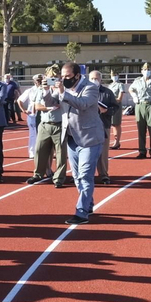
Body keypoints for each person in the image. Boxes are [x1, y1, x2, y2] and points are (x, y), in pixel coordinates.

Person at [49, 61, 102, 224]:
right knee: (77, 176)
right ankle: (89, 204)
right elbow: (49, 103)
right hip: (71, 138)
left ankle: (81, 212)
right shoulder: (61, 88)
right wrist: (47, 89)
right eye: (62, 76)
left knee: (86, 175)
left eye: (68, 76)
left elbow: (83, 104)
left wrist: (63, 92)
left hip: (90, 138)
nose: (64, 79)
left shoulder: (90, 87)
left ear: (77, 75)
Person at [29, 75, 66, 185]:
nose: (52, 80)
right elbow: (37, 106)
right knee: (39, 150)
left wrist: (60, 88)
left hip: (59, 124)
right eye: (50, 77)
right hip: (44, 124)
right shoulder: (41, 89)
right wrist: (49, 106)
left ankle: (59, 178)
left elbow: (60, 103)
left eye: (55, 77)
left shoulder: (64, 89)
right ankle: (38, 174)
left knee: (60, 153)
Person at [20, 73, 45, 158]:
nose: (39, 82)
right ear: (34, 81)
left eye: (40, 80)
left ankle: (43, 151)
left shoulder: (45, 89)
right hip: (33, 114)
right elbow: (19, 100)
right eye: (38, 80)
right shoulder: (30, 90)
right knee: (33, 134)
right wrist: (24, 110)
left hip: (43, 114)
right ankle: (32, 152)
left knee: (44, 134)